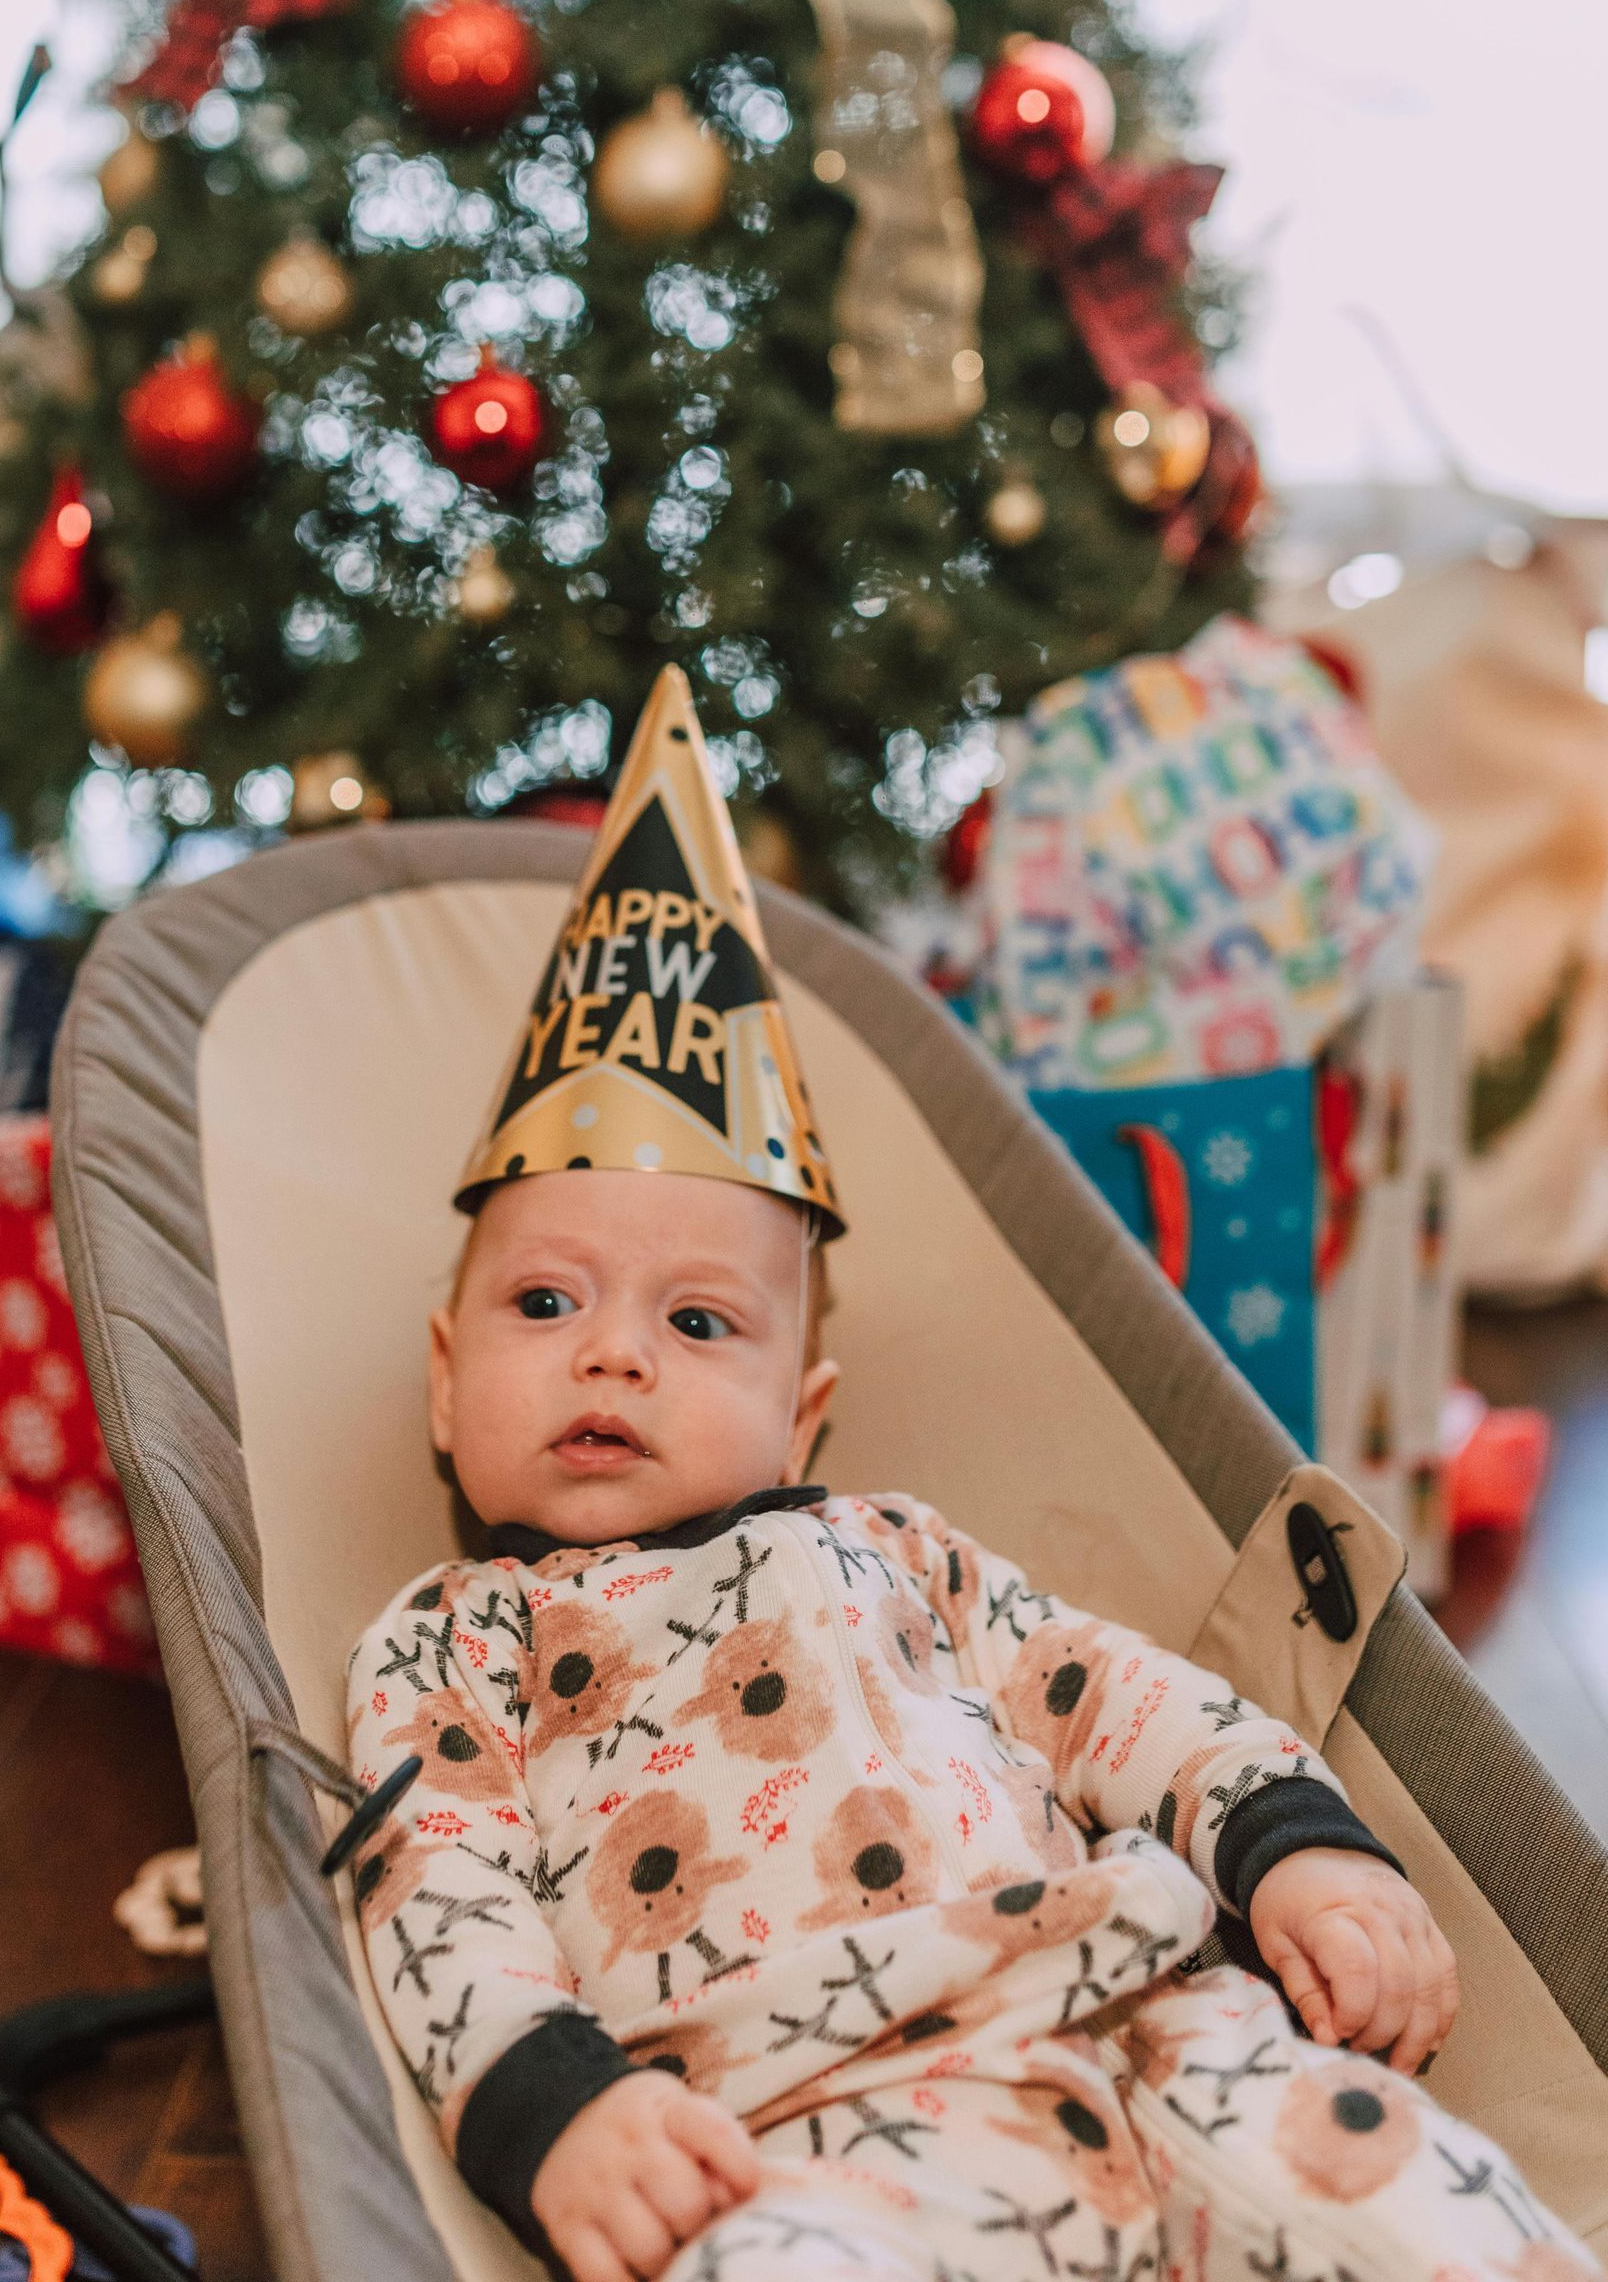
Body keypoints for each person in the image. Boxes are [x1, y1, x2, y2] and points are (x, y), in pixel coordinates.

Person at [345, 668, 1598, 2282]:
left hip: (1153, 2029)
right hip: (804, 2133)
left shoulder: (899, 1551)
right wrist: (550, 2108)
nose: (614, 1356)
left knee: (1398, 2200)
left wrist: (1299, 1845)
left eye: (698, 1320)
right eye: (542, 1303)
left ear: (804, 1417)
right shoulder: (453, 1642)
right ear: (447, 1387)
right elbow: (432, 1885)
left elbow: (1120, 1698)